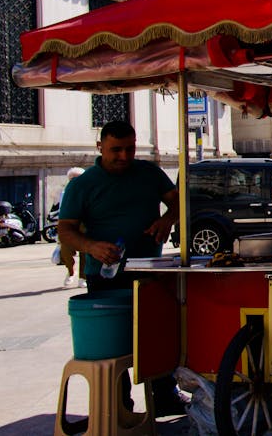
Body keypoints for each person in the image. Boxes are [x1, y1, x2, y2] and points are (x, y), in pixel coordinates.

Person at [56, 121, 181, 414]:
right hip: (105, 278)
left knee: (156, 334)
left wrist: (168, 220)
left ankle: (164, 396)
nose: (124, 156)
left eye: (130, 149)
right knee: (113, 343)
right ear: (100, 147)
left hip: (150, 270)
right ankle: (119, 406)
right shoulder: (83, 185)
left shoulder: (149, 173)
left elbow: (179, 202)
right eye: (116, 150)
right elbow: (65, 230)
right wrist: (91, 247)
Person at [58, 166, 86, 288]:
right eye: (72, 179)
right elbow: (60, 210)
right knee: (65, 250)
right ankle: (71, 271)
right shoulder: (65, 193)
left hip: (84, 224)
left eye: (77, 179)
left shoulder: (88, 192)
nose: (74, 181)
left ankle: (83, 277)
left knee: (85, 252)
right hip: (68, 224)